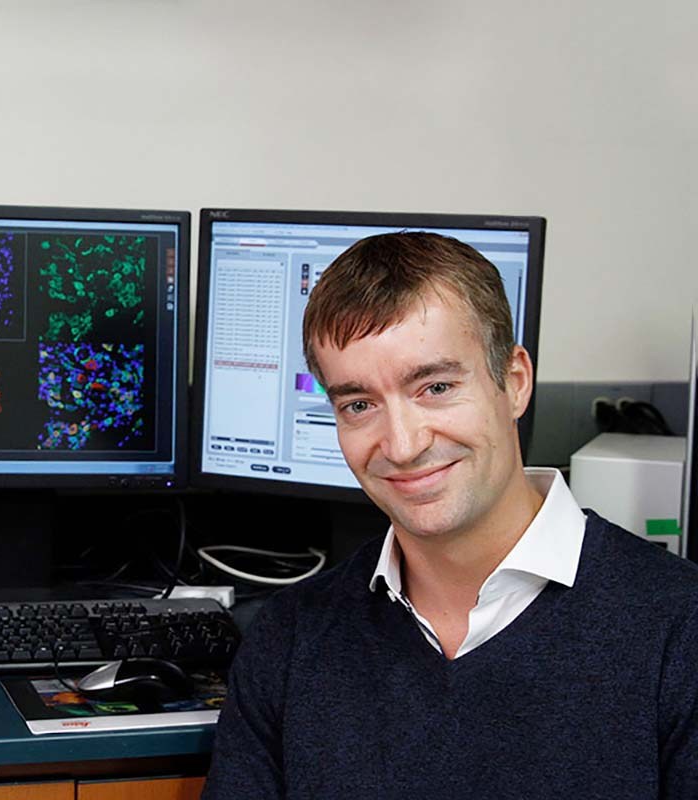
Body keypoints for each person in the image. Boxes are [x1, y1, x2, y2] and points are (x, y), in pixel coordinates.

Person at [201, 232, 698, 799]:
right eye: (359, 404)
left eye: (435, 387)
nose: (403, 445)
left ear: (514, 383)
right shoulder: (292, 636)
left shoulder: (679, 629)